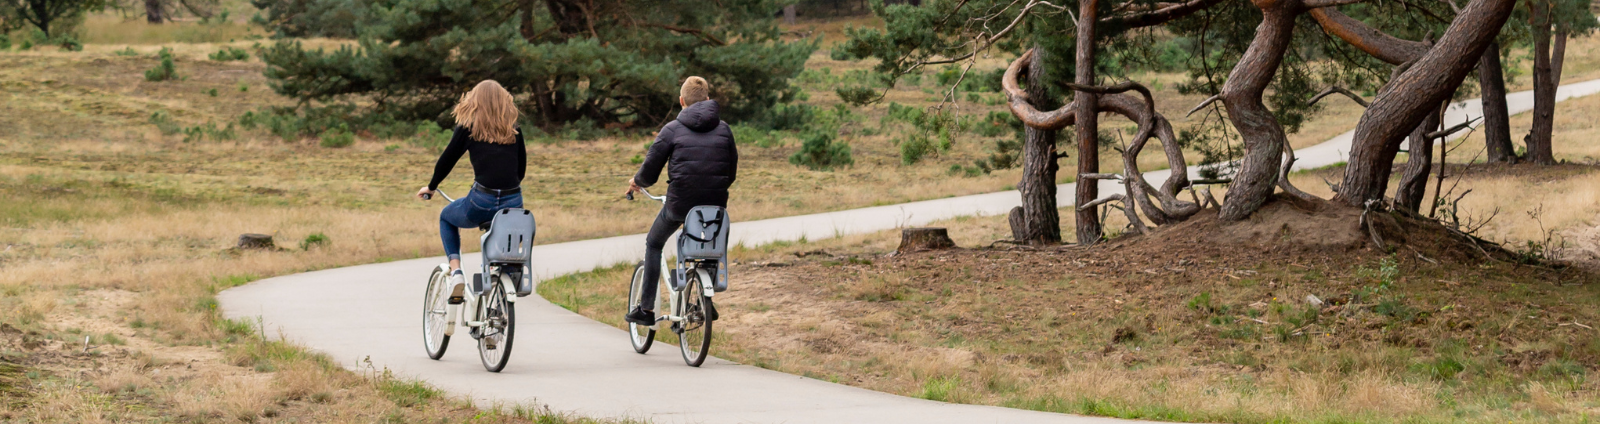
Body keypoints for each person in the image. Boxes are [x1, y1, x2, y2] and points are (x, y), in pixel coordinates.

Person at [623, 76, 739, 326]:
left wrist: (637, 182)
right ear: (707, 99)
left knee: (654, 243)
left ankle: (645, 310)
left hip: (680, 205)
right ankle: (704, 301)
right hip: (714, 208)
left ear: (681, 100)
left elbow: (650, 172)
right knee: (706, 248)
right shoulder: (724, 129)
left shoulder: (672, 130)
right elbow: (731, 174)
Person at [417, 80, 527, 291]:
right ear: (504, 102)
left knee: (446, 217)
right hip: (513, 200)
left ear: (475, 102)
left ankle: (456, 272)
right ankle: (508, 273)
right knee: (506, 234)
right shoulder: (514, 130)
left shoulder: (468, 128)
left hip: (481, 201)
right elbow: (520, 170)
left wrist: (431, 187)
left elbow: (447, 160)